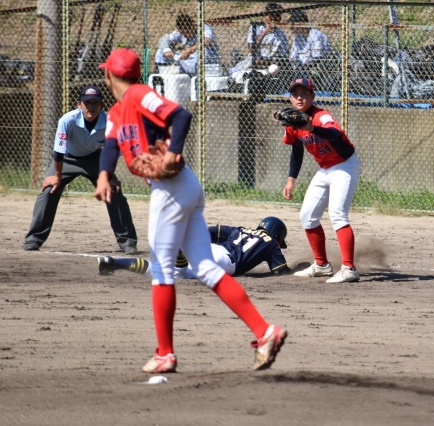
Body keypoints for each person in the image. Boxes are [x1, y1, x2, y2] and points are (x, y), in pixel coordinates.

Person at [94, 48, 287, 374]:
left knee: (162, 271)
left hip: (170, 187)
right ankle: (264, 331)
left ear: (109, 75)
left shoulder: (139, 94)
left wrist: (173, 153)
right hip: (184, 187)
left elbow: (181, 115)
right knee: (206, 268)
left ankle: (165, 354)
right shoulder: (115, 112)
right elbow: (111, 146)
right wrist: (103, 175)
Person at [23, 85, 138, 254]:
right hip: (67, 159)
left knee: (113, 191)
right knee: (49, 190)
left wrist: (110, 177)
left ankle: (128, 242)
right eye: (87, 102)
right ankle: (33, 239)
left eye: (95, 103)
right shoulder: (67, 120)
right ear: (79, 104)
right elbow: (59, 153)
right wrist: (57, 176)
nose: (91, 106)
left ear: (101, 105)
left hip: (96, 160)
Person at [281, 78, 361, 284]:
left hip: (344, 166)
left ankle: (349, 269)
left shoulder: (321, 116)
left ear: (312, 96)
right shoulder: (293, 121)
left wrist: (311, 127)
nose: (299, 98)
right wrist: (291, 180)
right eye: (295, 94)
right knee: (307, 216)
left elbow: (335, 134)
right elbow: (296, 149)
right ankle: (322, 265)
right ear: (290, 98)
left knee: (337, 214)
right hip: (324, 169)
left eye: (304, 94)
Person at [97, 217, 292, 278]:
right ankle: (179, 250)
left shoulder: (240, 230)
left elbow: (214, 230)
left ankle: (114, 262)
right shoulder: (271, 243)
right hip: (224, 262)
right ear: (276, 236)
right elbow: (280, 272)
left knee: (163, 270)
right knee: (177, 273)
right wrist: (298, 268)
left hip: (210, 248)